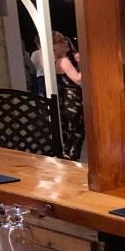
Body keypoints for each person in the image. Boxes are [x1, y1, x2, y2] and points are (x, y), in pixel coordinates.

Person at [52, 31, 84, 161]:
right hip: (72, 100)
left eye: (65, 39)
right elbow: (79, 80)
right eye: (61, 41)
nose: (66, 42)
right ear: (54, 46)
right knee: (77, 133)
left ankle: (69, 160)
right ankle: (73, 161)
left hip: (64, 100)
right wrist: (83, 62)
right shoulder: (64, 61)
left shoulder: (55, 61)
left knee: (69, 133)